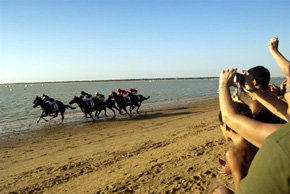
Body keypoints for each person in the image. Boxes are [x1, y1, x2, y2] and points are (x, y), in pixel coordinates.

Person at [218, 102, 258, 190]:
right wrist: (233, 168)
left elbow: (240, 188)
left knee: (220, 191)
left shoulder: (233, 153)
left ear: (225, 126)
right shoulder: (256, 139)